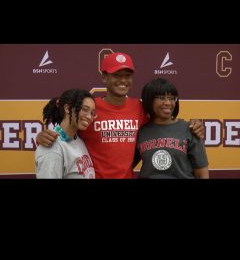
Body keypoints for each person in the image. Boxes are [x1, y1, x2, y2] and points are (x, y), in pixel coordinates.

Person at [36, 52, 205, 179]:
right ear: (104, 77)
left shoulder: (139, 107)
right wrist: (43, 136)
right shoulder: (91, 107)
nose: (123, 80)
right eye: (117, 75)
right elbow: (67, 128)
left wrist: (194, 125)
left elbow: (163, 124)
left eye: (127, 76)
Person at [134, 78, 209, 178]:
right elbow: (126, 165)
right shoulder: (140, 131)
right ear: (149, 100)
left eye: (172, 98)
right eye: (162, 98)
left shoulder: (191, 129)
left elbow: (201, 173)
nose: (168, 103)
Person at [35, 88, 97, 179]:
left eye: (92, 113)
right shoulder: (52, 146)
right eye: (84, 109)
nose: (89, 117)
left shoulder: (78, 140)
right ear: (67, 108)